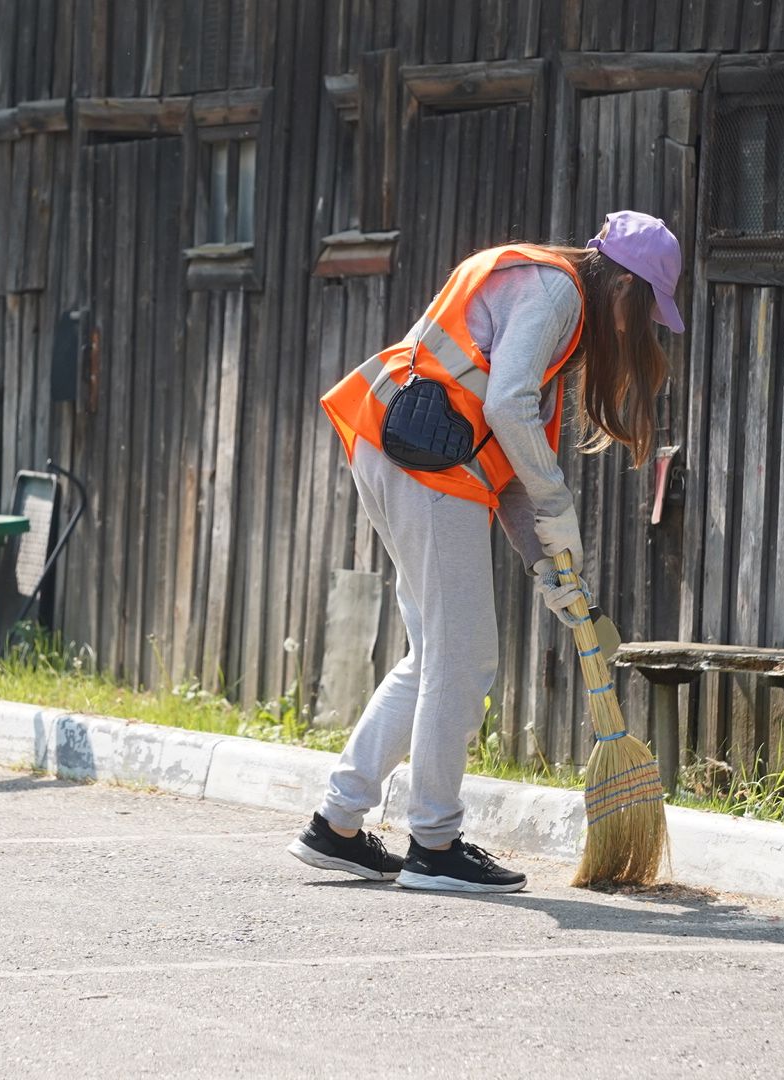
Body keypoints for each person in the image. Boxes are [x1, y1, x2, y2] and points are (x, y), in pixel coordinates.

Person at [289, 210, 685, 892]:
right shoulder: (558, 292)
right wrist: (558, 502)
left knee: (434, 657)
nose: (637, 329)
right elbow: (506, 406)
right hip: (424, 467)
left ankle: (338, 824)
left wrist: (549, 569)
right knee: (464, 657)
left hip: (404, 452)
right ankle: (435, 846)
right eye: (645, 310)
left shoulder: (551, 302)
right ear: (626, 286)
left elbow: (503, 465)